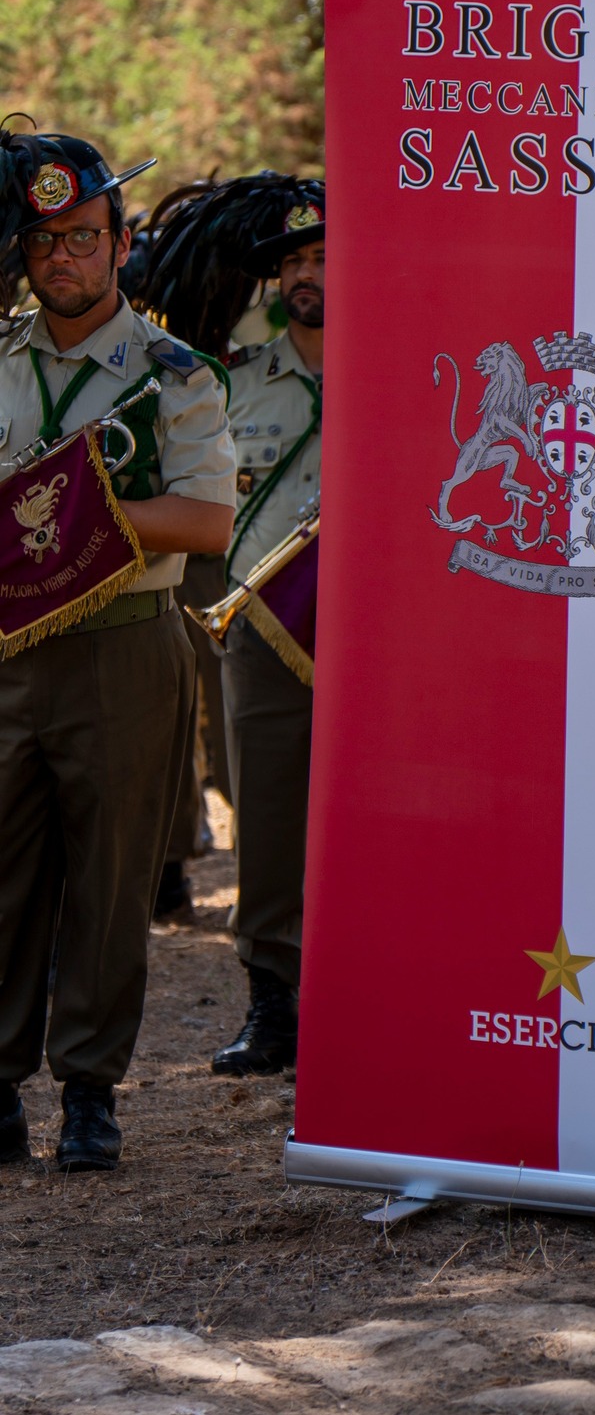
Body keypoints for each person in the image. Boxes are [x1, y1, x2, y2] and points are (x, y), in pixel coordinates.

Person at [0, 127, 235, 1171]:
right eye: (44, 240)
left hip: (126, 647)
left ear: (123, 243)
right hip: (8, 652)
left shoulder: (173, 374)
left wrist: (76, 518)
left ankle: (90, 1091)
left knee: (110, 880)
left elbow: (209, 522)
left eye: (84, 236)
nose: (64, 257)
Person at [149, 177, 324, 1077]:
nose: (306, 274)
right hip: (266, 628)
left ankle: (375, 983)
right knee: (266, 811)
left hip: (380, 635)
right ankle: (273, 999)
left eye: (323, 257)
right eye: (292, 262)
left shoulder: (409, 371)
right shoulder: (236, 382)